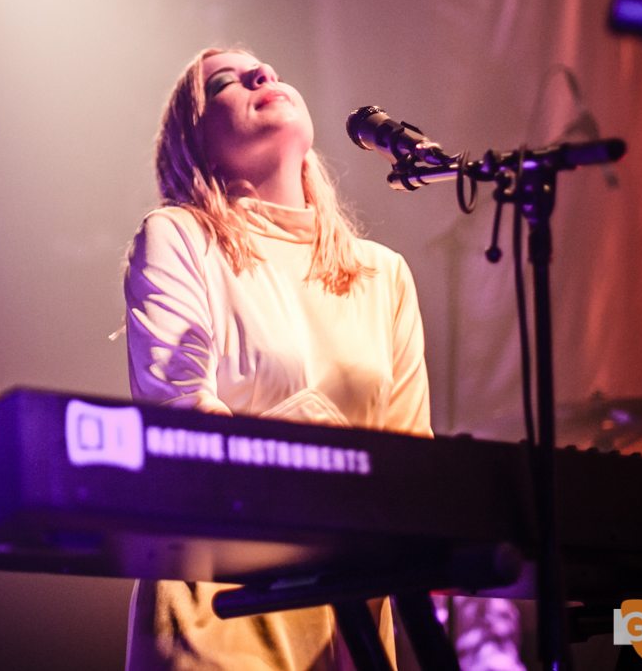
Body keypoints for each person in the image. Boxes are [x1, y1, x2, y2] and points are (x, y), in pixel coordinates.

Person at [123, 47, 432, 670]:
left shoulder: (384, 275)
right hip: (223, 602)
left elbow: (415, 461)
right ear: (197, 142)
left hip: (353, 615)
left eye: (266, 68)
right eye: (226, 84)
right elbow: (182, 426)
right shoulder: (180, 237)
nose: (263, 76)